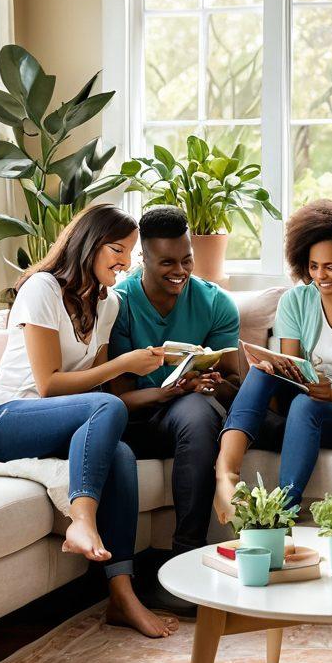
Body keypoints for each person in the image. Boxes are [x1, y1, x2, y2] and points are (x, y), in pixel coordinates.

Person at [0, 204, 176, 639]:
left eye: (130, 252)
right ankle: (81, 519)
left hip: (60, 422)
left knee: (120, 451)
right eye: (117, 249)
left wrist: (167, 388)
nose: (125, 262)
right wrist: (123, 363)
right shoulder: (42, 289)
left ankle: (122, 598)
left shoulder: (109, 304)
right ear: (89, 244)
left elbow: (97, 394)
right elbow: (48, 385)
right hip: (6, 419)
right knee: (109, 410)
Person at [214, 199, 332, 522]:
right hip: (300, 405)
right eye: (314, 266)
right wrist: (277, 367)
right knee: (262, 373)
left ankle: (282, 512)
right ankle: (225, 475)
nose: (319, 276)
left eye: (331, 267)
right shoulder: (296, 300)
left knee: (307, 405)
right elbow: (292, 368)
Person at [108, 206, 241, 562]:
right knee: (190, 409)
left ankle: (186, 557)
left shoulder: (216, 303)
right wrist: (171, 391)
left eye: (187, 260)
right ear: (144, 258)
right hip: (135, 422)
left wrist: (213, 383)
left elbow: (234, 385)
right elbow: (118, 399)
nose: (179, 271)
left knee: (198, 411)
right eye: (167, 263)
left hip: (190, 417)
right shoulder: (119, 304)